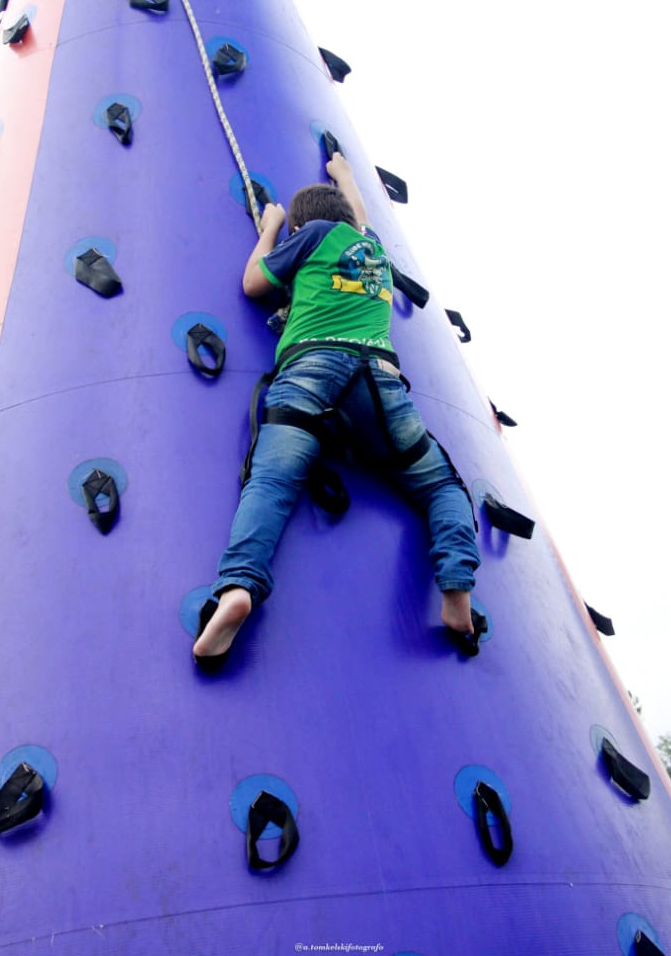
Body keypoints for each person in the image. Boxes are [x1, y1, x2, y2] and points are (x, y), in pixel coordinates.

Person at [193, 153, 482, 670]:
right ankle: (456, 590)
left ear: (303, 225)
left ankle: (238, 586)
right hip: (380, 384)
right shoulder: (373, 251)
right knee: (442, 487)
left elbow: (254, 283)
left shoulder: (311, 234)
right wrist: (345, 176)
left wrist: (271, 226)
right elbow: (361, 218)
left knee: (271, 483)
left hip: (310, 371)